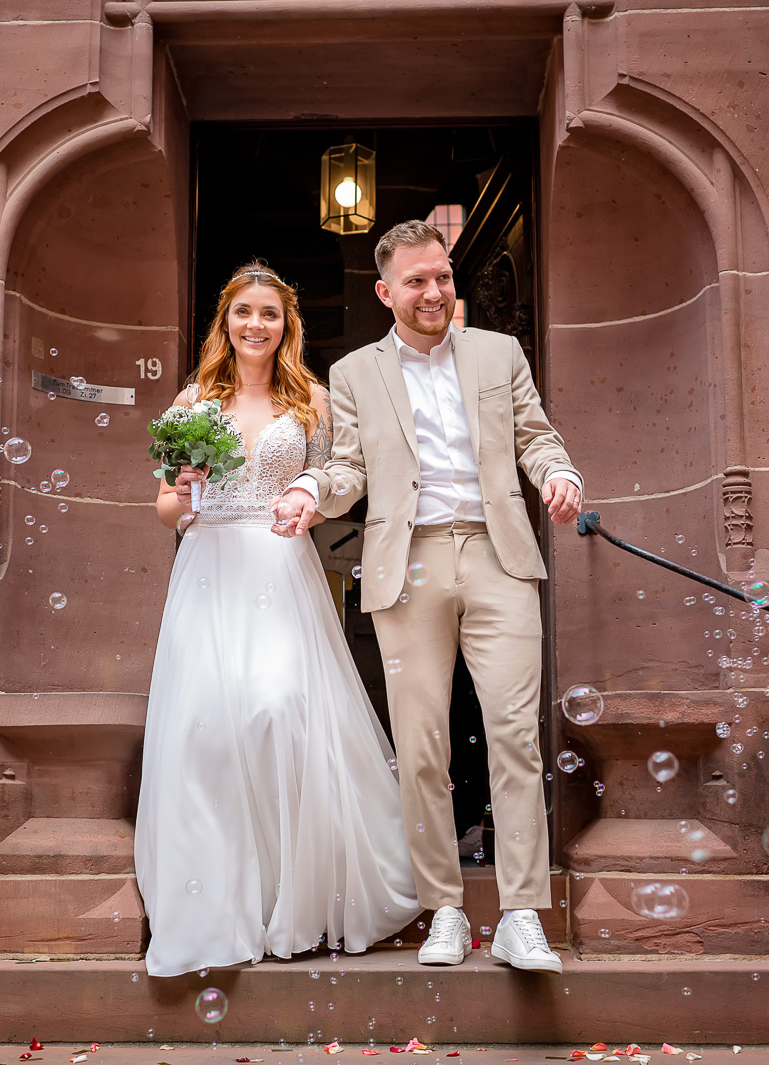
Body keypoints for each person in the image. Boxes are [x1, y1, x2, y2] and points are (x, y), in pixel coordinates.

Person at [272, 221, 583, 973]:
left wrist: (558, 472)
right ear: (386, 293)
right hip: (405, 562)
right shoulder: (352, 374)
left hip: (498, 554)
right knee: (420, 747)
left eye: (441, 277)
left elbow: (536, 435)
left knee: (514, 734)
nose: (434, 291)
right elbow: (348, 469)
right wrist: (313, 487)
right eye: (416, 281)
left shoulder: (498, 353)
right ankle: (444, 905)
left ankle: (519, 913)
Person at [136, 262, 419, 978]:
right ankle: (222, 906)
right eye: (242, 313)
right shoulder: (195, 399)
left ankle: (294, 898)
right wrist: (187, 490)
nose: (255, 324)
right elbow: (165, 507)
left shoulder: (313, 401)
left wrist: (309, 505)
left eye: (268, 313)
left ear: (286, 324)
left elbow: (342, 488)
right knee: (206, 732)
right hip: (207, 570)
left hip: (278, 567)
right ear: (224, 323)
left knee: (277, 708)